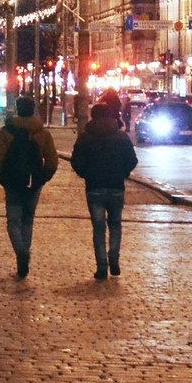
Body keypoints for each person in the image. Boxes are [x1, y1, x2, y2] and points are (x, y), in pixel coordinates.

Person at [71, 102, 139, 279]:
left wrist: (86, 174)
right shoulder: (121, 137)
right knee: (115, 224)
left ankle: (102, 266)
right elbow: (132, 160)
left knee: (98, 228)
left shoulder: (86, 137)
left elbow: (76, 161)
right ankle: (114, 258)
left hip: (94, 187)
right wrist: (122, 173)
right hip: (116, 187)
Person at [0, 96, 58, 278]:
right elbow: (52, 161)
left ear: (17, 109)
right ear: (33, 110)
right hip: (33, 184)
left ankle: (20, 252)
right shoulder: (42, 133)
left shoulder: (7, 132)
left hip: (13, 183)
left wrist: (3, 179)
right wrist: (42, 178)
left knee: (13, 221)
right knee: (28, 220)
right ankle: (24, 253)